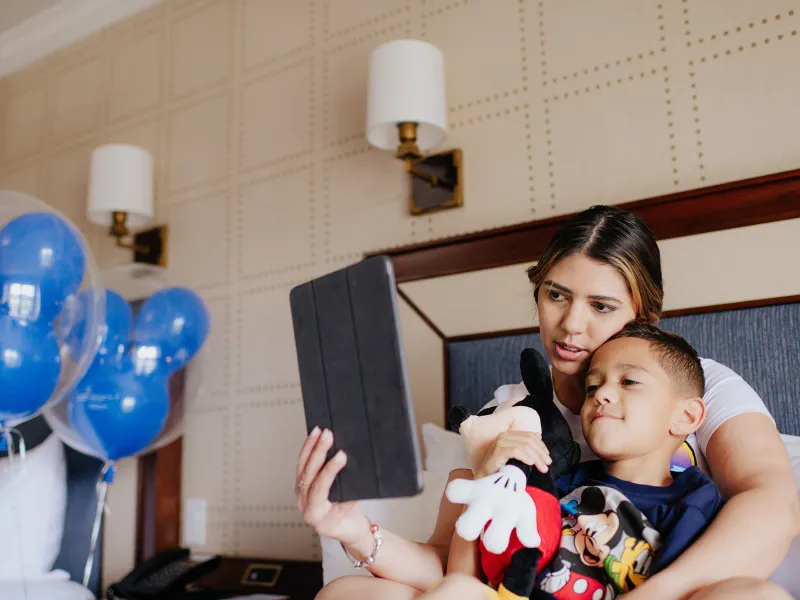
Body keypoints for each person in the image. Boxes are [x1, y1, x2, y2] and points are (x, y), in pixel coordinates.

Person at [296, 205, 799, 600]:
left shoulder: (697, 385)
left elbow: (772, 503)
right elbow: (455, 562)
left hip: (671, 586)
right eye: (556, 295)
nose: (571, 325)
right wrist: (352, 530)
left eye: (601, 306)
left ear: (644, 316)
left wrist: (656, 594)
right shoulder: (510, 413)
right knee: (348, 591)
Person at [461, 321, 723, 599]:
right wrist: (486, 480)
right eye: (591, 386)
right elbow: (472, 571)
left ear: (687, 416)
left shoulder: (691, 500)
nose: (601, 394)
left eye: (629, 382)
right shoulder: (560, 481)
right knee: (455, 589)